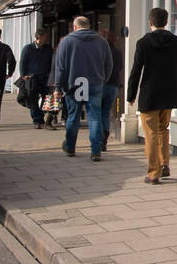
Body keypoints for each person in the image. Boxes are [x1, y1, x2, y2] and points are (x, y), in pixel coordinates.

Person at [127, 7, 177, 185]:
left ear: (150, 22)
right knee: (163, 129)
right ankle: (165, 163)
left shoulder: (143, 43)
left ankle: (154, 172)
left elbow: (136, 71)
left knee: (151, 134)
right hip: (169, 93)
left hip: (149, 94)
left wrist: (131, 95)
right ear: (167, 22)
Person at [51, 15, 113, 162]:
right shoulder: (102, 42)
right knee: (95, 117)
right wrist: (103, 79)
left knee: (73, 116)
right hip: (95, 83)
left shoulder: (66, 42)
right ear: (89, 26)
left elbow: (60, 67)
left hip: (75, 83)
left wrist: (58, 87)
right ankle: (96, 151)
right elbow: (109, 64)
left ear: (74, 27)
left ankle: (71, 147)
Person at [19, 29, 54, 129]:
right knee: (33, 100)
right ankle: (37, 120)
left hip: (46, 77)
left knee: (47, 98)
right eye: (45, 37)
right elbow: (23, 62)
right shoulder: (28, 48)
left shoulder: (48, 48)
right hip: (32, 78)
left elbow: (52, 62)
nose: (47, 39)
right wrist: (23, 76)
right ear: (39, 37)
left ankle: (44, 118)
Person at [98, 28, 123, 152]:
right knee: (106, 113)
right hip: (113, 85)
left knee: (96, 113)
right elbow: (120, 68)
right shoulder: (117, 52)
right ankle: (105, 138)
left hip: (100, 85)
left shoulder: (99, 52)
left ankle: (99, 138)